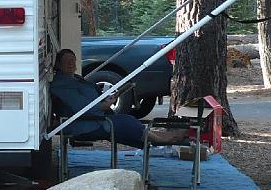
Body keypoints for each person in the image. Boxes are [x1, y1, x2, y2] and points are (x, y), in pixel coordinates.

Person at [50, 49, 187, 148]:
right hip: (84, 124)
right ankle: (159, 139)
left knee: (127, 121)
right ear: (58, 65)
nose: (71, 64)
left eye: (73, 61)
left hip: (96, 118)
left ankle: (162, 137)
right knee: (127, 122)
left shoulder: (73, 79)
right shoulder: (62, 85)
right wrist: (103, 106)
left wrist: (107, 99)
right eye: (67, 62)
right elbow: (81, 107)